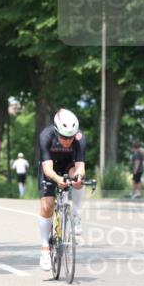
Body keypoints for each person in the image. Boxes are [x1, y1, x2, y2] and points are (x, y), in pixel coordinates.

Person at [37, 109, 86, 271]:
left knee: (79, 180)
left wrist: (78, 178)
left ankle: (76, 214)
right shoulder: (46, 136)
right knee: (47, 206)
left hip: (68, 166)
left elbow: (80, 166)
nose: (68, 140)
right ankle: (45, 249)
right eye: (64, 137)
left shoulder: (79, 139)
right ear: (57, 131)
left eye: (70, 137)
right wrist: (58, 180)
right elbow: (47, 168)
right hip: (50, 168)